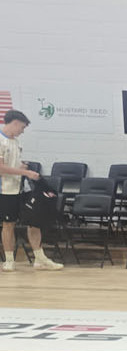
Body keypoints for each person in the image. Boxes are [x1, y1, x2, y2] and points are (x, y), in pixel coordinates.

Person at [0, 110, 64, 272]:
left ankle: (40, 259)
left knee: (34, 222)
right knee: (9, 224)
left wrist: (22, 167)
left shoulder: (16, 142)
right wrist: (25, 172)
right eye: (22, 127)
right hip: (6, 190)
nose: (22, 131)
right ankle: (9, 260)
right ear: (14, 123)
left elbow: (13, 164)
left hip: (23, 188)